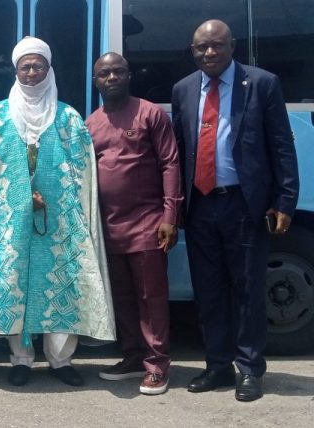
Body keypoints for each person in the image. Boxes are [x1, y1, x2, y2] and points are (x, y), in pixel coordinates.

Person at [0, 37, 115, 387]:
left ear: (49, 70)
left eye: (38, 66)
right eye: (25, 66)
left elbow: (81, 172)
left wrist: (52, 193)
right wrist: (21, 195)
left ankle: (61, 361)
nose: (32, 72)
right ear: (16, 71)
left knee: (61, 282)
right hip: (9, 221)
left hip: (59, 221)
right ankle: (20, 359)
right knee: (13, 281)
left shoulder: (68, 117)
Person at [172, 19, 298, 402]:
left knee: (247, 289)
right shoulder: (183, 89)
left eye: (217, 45)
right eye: (201, 47)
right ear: (192, 51)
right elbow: (179, 152)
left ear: (233, 46)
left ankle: (250, 369)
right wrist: (175, 206)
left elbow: (281, 145)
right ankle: (217, 366)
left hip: (244, 204)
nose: (209, 52)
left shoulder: (261, 84)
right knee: (207, 291)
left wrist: (285, 200)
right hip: (200, 205)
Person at [86, 52, 182, 395]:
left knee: (150, 297)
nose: (111, 78)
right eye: (104, 74)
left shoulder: (150, 113)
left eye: (118, 72)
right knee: (123, 297)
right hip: (109, 226)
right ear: (95, 81)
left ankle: (157, 364)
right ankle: (132, 356)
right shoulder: (91, 123)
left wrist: (170, 216)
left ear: (129, 76)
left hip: (147, 222)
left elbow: (170, 164)